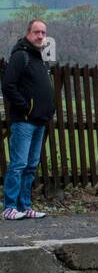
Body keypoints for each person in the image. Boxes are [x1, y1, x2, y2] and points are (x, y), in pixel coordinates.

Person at [2, 19, 54, 220]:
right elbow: (8, 85)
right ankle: (9, 207)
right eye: (36, 32)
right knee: (18, 165)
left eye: (43, 33)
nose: (40, 36)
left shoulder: (39, 58)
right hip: (24, 121)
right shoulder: (20, 56)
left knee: (31, 166)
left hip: (39, 121)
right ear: (28, 33)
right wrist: (25, 107)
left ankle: (25, 206)